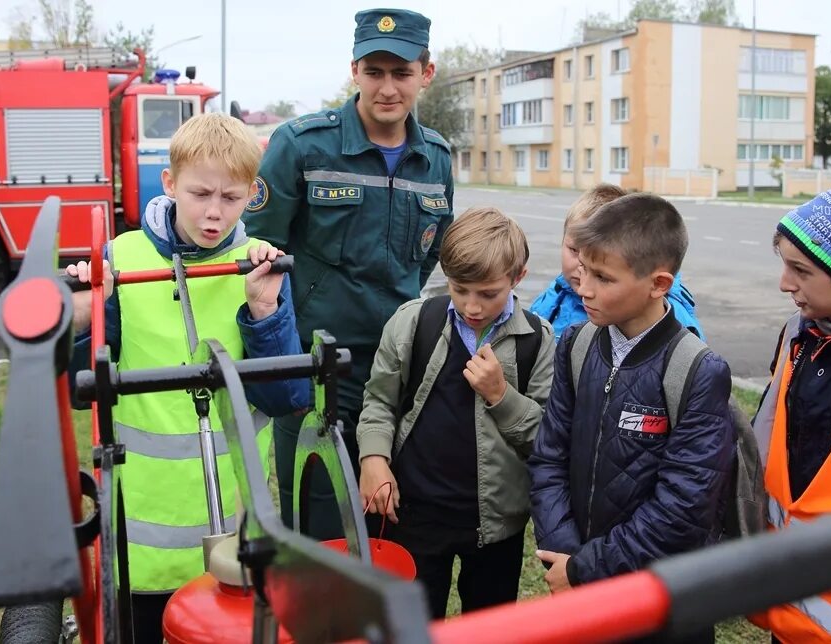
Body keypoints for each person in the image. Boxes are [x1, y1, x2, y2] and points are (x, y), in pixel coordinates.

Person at [65, 112, 309, 643]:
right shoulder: (121, 261)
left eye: (232, 197)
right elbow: (82, 390)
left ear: (252, 193)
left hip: (233, 541)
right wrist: (86, 315)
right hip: (140, 545)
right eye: (200, 194)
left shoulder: (258, 267)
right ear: (170, 184)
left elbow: (288, 396)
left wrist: (264, 313)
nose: (215, 213)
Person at [242, 8, 454, 539]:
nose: (388, 88)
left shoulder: (437, 160)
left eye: (401, 73)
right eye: (374, 71)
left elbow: (429, 256)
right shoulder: (303, 146)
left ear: (425, 74)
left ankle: (377, 621)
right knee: (318, 526)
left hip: (399, 372)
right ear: (354, 70)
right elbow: (262, 251)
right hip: (316, 371)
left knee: (388, 518)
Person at [528, 193, 734, 643]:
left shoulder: (697, 371)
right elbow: (548, 458)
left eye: (603, 278)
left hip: (660, 602)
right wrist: (566, 557)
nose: (584, 289)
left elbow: (683, 507)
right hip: (578, 591)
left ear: (659, 284)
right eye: (583, 271)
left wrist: (587, 568)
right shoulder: (577, 345)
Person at [356, 208, 555, 618]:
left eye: (488, 293)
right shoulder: (414, 323)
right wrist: (374, 459)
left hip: (496, 523)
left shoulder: (537, 341)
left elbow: (547, 438)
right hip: (414, 514)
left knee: (488, 625)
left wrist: (501, 394)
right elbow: (379, 401)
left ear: (517, 277)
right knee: (411, 624)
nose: (472, 306)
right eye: (460, 289)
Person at [748, 190, 831, 643]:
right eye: (784, 264)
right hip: (788, 595)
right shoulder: (796, 335)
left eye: (801, 270)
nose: (785, 283)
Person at [530, 183, 704, 343]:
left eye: (602, 276)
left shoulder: (679, 334)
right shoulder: (554, 296)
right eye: (574, 251)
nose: (581, 271)